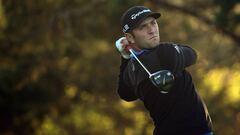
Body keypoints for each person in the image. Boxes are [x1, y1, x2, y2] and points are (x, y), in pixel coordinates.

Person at [115, 6, 213, 135]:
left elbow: (125, 93)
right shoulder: (165, 53)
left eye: (153, 23)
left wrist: (125, 57)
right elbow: (193, 55)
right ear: (130, 37)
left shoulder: (131, 70)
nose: (152, 30)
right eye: (143, 27)